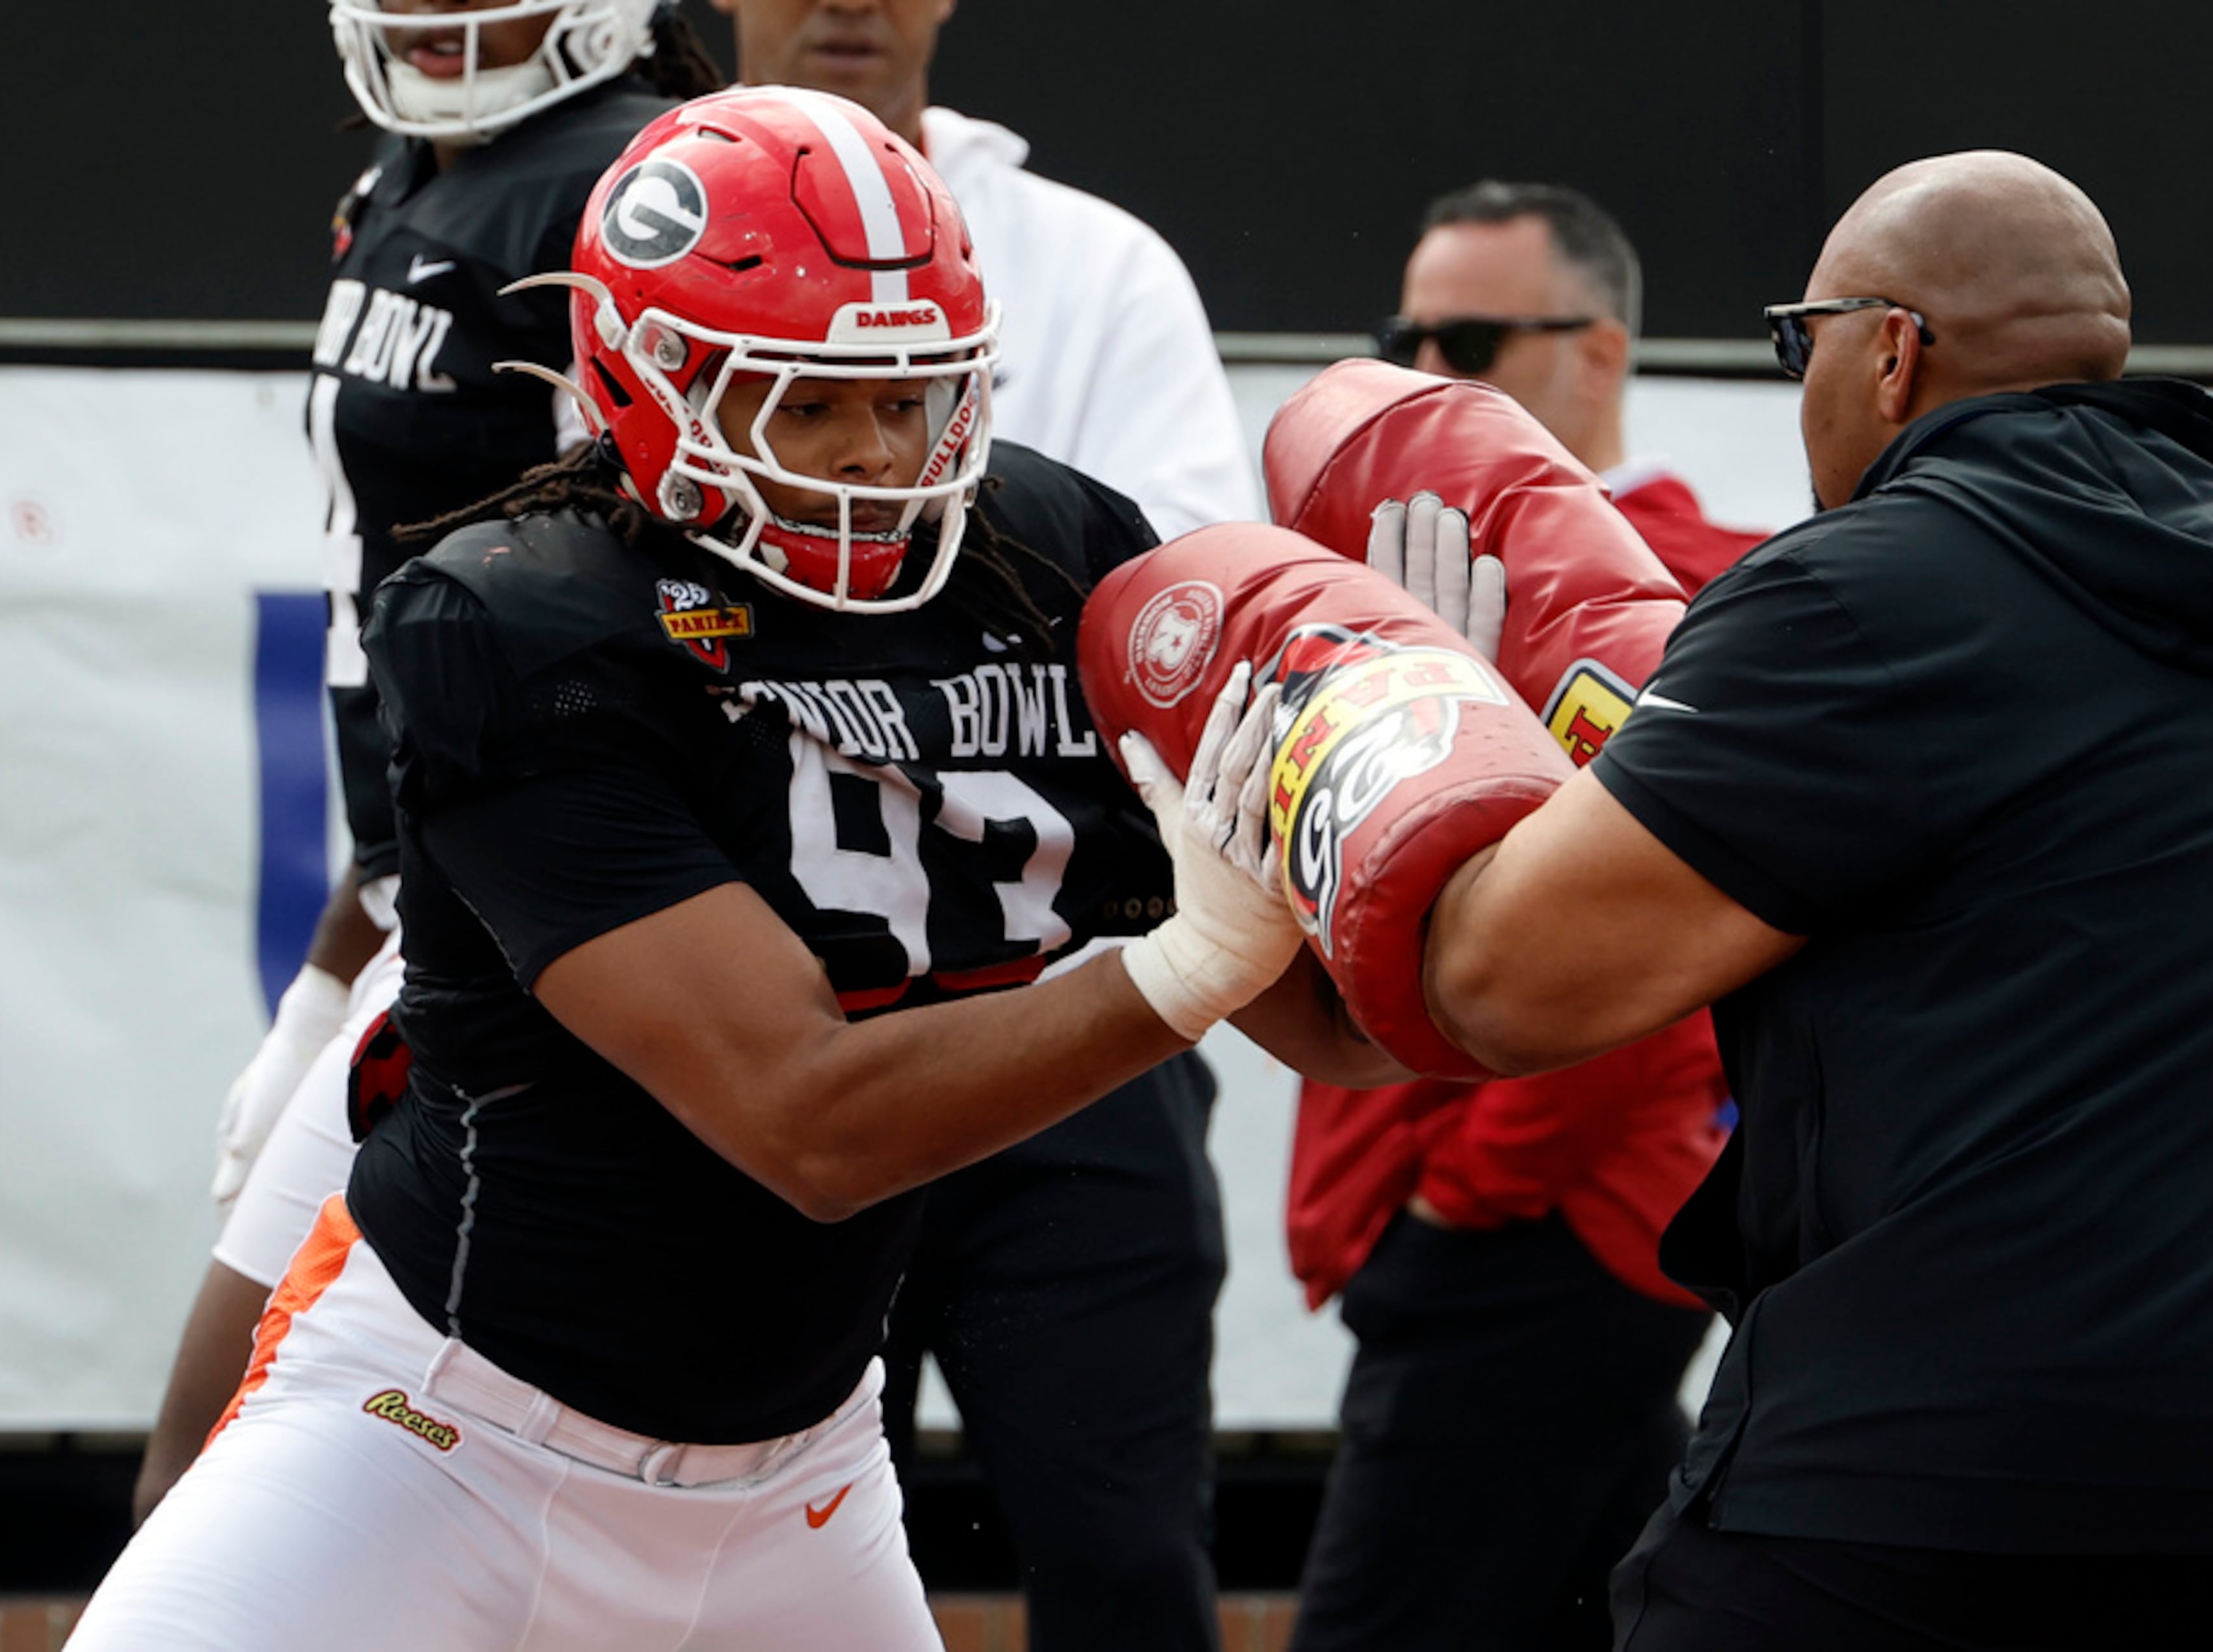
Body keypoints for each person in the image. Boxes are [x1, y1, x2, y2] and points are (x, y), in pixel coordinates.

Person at [72, 87, 1332, 1651]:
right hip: (437, 1445)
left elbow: (1367, 1023)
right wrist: (1188, 965)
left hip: (796, 1484)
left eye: (912, 397)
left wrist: (1423, 789)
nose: (875, 457)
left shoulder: (1044, 546)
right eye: (805, 405)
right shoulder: (522, 615)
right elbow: (805, 1118)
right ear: (644, 382)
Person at [1363, 150, 2213, 1647]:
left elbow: (1500, 981)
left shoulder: (1857, 593)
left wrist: (1415, 705)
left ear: (1885, 352)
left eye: (1792, 337)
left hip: (1937, 1473)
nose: (1793, 379)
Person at [133, 0, 725, 1526]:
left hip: (571, 916)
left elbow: (688, 595)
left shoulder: (633, 185)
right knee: (220, 1476)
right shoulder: (414, 171)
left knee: (257, 1478)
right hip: (443, 900)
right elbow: (394, 628)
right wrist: (333, 970)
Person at [704, 2, 1254, 1642]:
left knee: (1125, 1558)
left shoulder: (1095, 260)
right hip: (767, 1020)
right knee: (711, 1557)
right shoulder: (626, 219)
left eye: (916, 398)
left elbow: (1178, 609)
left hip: (1068, 1022)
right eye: (816, 402)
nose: (848, 2)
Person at [1281, 186, 1757, 1651]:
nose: (1425, 363)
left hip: (1528, 1226)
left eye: (1470, 335)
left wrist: (1469, 1192)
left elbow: (1663, 955)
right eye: (1402, 332)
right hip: (1464, 1223)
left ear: (1598, 350)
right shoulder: (1377, 564)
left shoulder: (1717, 585)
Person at [1377, 180, 1762, 599]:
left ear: (1598, 359)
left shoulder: (1734, 590)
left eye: (1468, 343)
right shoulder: (1365, 557)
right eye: (1406, 342)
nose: (1426, 372)